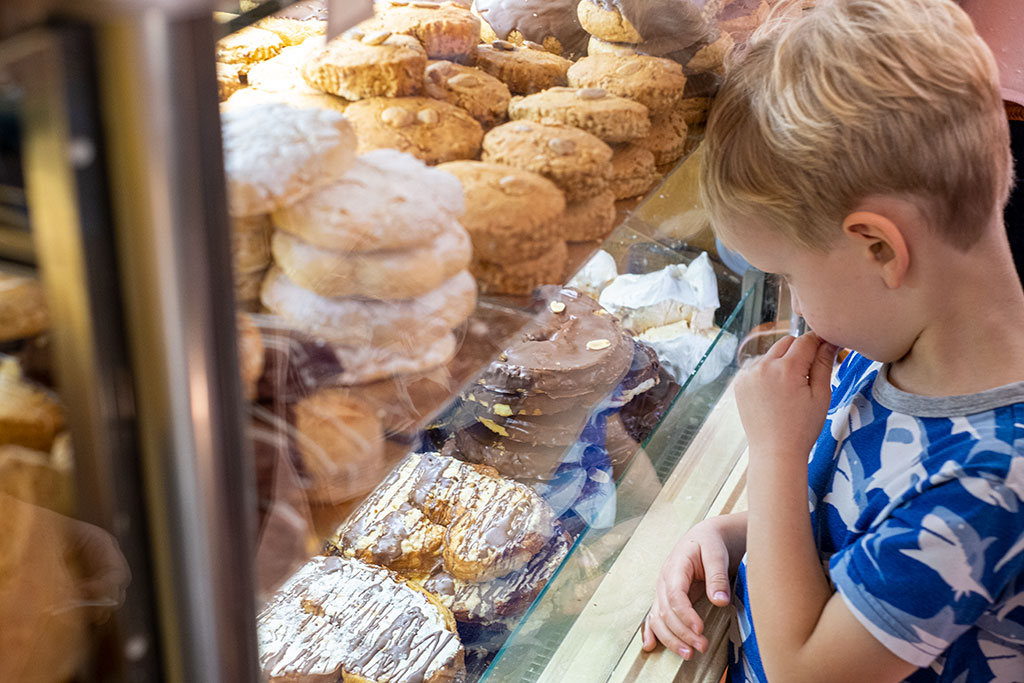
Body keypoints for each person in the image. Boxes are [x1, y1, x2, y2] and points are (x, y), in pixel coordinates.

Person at [640, 0, 1024, 681]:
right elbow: (846, 523)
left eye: (788, 274)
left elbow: (806, 670)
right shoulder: (900, 347)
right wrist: (733, 534)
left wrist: (775, 450)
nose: (798, 306)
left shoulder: (989, 484)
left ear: (878, 247)